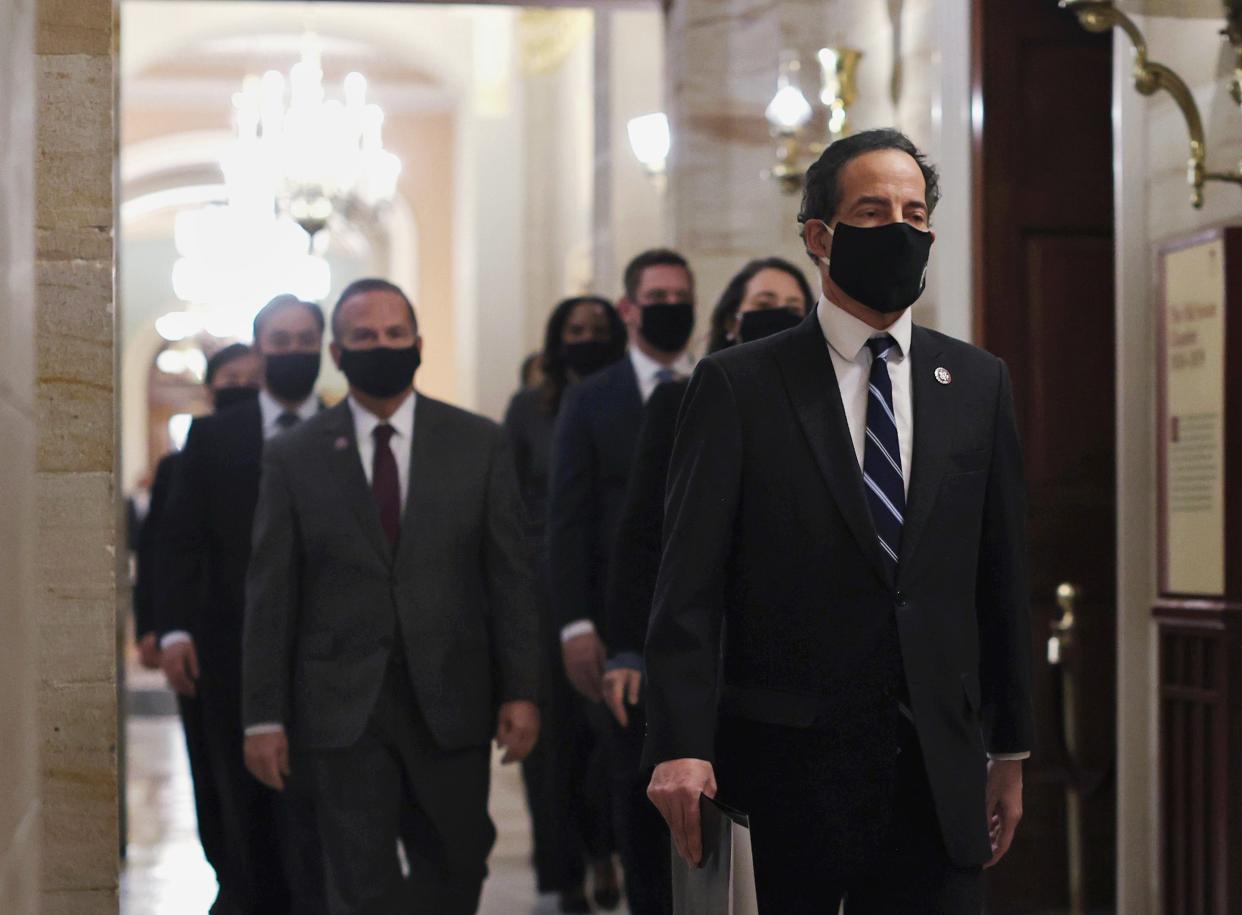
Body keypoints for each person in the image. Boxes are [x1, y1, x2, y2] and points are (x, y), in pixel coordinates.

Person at [644, 128, 1033, 915]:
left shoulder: (977, 382)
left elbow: (1002, 572)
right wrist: (680, 743)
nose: (900, 226)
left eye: (914, 211)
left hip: (937, 768)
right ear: (821, 238)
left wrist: (1012, 746)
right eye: (873, 209)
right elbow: (688, 584)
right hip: (788, 765)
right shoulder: (739, 386)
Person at [241, 278, 540, 914]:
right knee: (357, 878)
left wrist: (522, 689)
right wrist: (263, 715)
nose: (383, 345)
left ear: (419, 344)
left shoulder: (478, 443)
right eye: (365, 337)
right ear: (339, 354)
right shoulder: (294, 455)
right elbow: (272, 591)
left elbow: (509, 576)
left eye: (395, 334)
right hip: (343, 705)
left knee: (457, 862)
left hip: (451, 696)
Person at [156, 297, 327, 915]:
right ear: (259, 350)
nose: (292, 351)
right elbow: (182, 539)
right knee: (239, 790)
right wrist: (173, 629)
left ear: (325, 347)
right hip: (231, 642)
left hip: (326, 650)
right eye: (279, 340)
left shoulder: (347, 430)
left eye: (305, 339)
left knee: (317, 800)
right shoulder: (213, 435)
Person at [547, 249, 696, 915]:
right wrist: (577, 622)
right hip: (619, 619)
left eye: (681, 294)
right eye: (658, 295)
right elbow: (570, 517)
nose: (672, 306)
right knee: (627, 774)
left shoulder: (714, 382)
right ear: (630, 309)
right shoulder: (592, 397)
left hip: (697, 616)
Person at [602, 256, 813, 720]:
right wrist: (626, 648)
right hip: (709, 647)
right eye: (765, 302)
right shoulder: (679, 400)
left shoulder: (829, 416)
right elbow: (642, 530)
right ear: (733, 320)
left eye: (795, 307)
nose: (780, 314)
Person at [504, 296, 627, 913]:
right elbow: (507, 503)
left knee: (607, 741)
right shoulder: (529, 410)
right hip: (538, 598)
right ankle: (564, 872)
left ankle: (606, 851)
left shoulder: (625, 402)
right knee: (551, 751)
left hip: (608, 593)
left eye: (598, 330)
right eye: (575, 330)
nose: (587, 338)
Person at [136, 342, 261, 887]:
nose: (241, 387)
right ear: (211, 390)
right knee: (214, 767)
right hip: (205, 634)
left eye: (251, 378)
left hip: (261, 630)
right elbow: (163, 547)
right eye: (230, 378)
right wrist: (154, 626)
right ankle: (231, 880)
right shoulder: (179, 466)